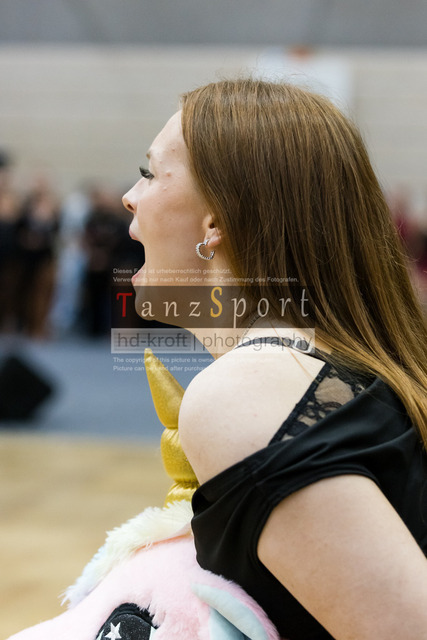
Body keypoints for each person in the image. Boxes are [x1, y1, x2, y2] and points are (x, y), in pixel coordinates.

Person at [122, 78, 427, 640]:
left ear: (216, 221)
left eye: (149, 173)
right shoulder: (322, 370)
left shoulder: (250, 388)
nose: (129, 196)